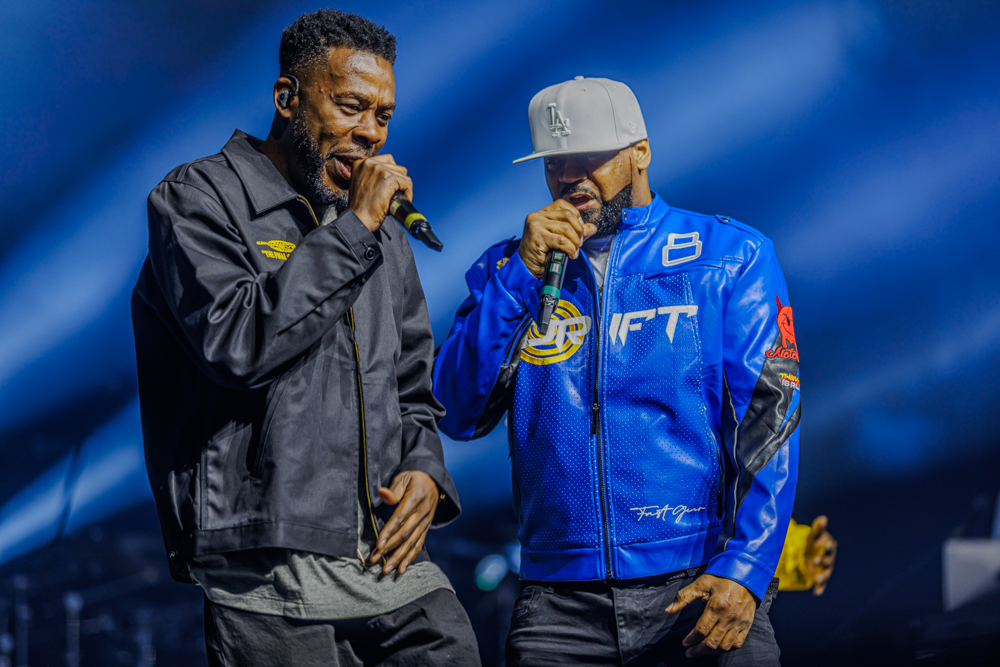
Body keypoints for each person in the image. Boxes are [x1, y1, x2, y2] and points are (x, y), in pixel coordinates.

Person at [131, 9, 479, 666]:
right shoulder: (198, 198)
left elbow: (412, 385)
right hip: (264, 557)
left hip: (387, 556)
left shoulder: (382, 234)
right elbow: (238, 345)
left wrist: (426, 471)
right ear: (287, 97)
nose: (370, 132)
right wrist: (355, 230)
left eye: (383, 115)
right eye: (351, 107)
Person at [434, 76, 801, 665]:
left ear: (641, 152)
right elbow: (456, 411)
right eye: (555, 162)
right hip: (557, 606)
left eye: (589, 157)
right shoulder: (508, 270)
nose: (569, 176)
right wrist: (521, 276)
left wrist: (748, 566)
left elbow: (771, 422)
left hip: (699, 584)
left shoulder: (729, 256)